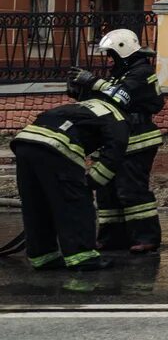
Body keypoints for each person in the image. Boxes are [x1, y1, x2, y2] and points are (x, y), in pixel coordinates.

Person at [10, 78, 129, 272]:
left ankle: (43, 256)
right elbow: (114, 153)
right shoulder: (117, 116)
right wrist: (91, 183)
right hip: (56, 146)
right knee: (75, 202)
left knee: (36, 203)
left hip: (25, 142)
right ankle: (82, 257)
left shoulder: (83, 106)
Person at [71, 29, 165, 252]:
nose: (110, 58)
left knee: (131, 190)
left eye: (112, 53)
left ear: (123, 50)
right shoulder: (120, 72)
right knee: (107, 191)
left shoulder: (141, 72)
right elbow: (105, 99)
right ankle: (112, 238)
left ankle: (146, 237)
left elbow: (121, 96)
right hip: (116, 138)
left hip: (137, 138)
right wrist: (80, 92)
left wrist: (94, 82)